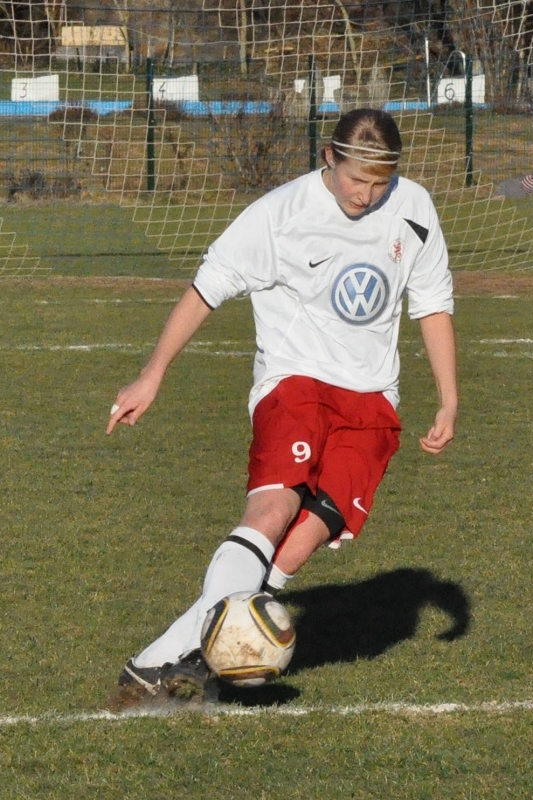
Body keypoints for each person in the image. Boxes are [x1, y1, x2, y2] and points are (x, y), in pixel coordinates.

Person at [106, 107, 457, 702]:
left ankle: (203, 650)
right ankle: (166, 657)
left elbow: (432, 303)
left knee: (307, 535)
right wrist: (152, 374)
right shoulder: (279, 216)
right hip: (294, 383)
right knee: (273, 511)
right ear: (329, 157)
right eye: (355, 181)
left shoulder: (414, 208)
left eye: (378, 184)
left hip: (372, 400)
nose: (366, 197)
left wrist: (449, 399)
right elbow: (205, 290)